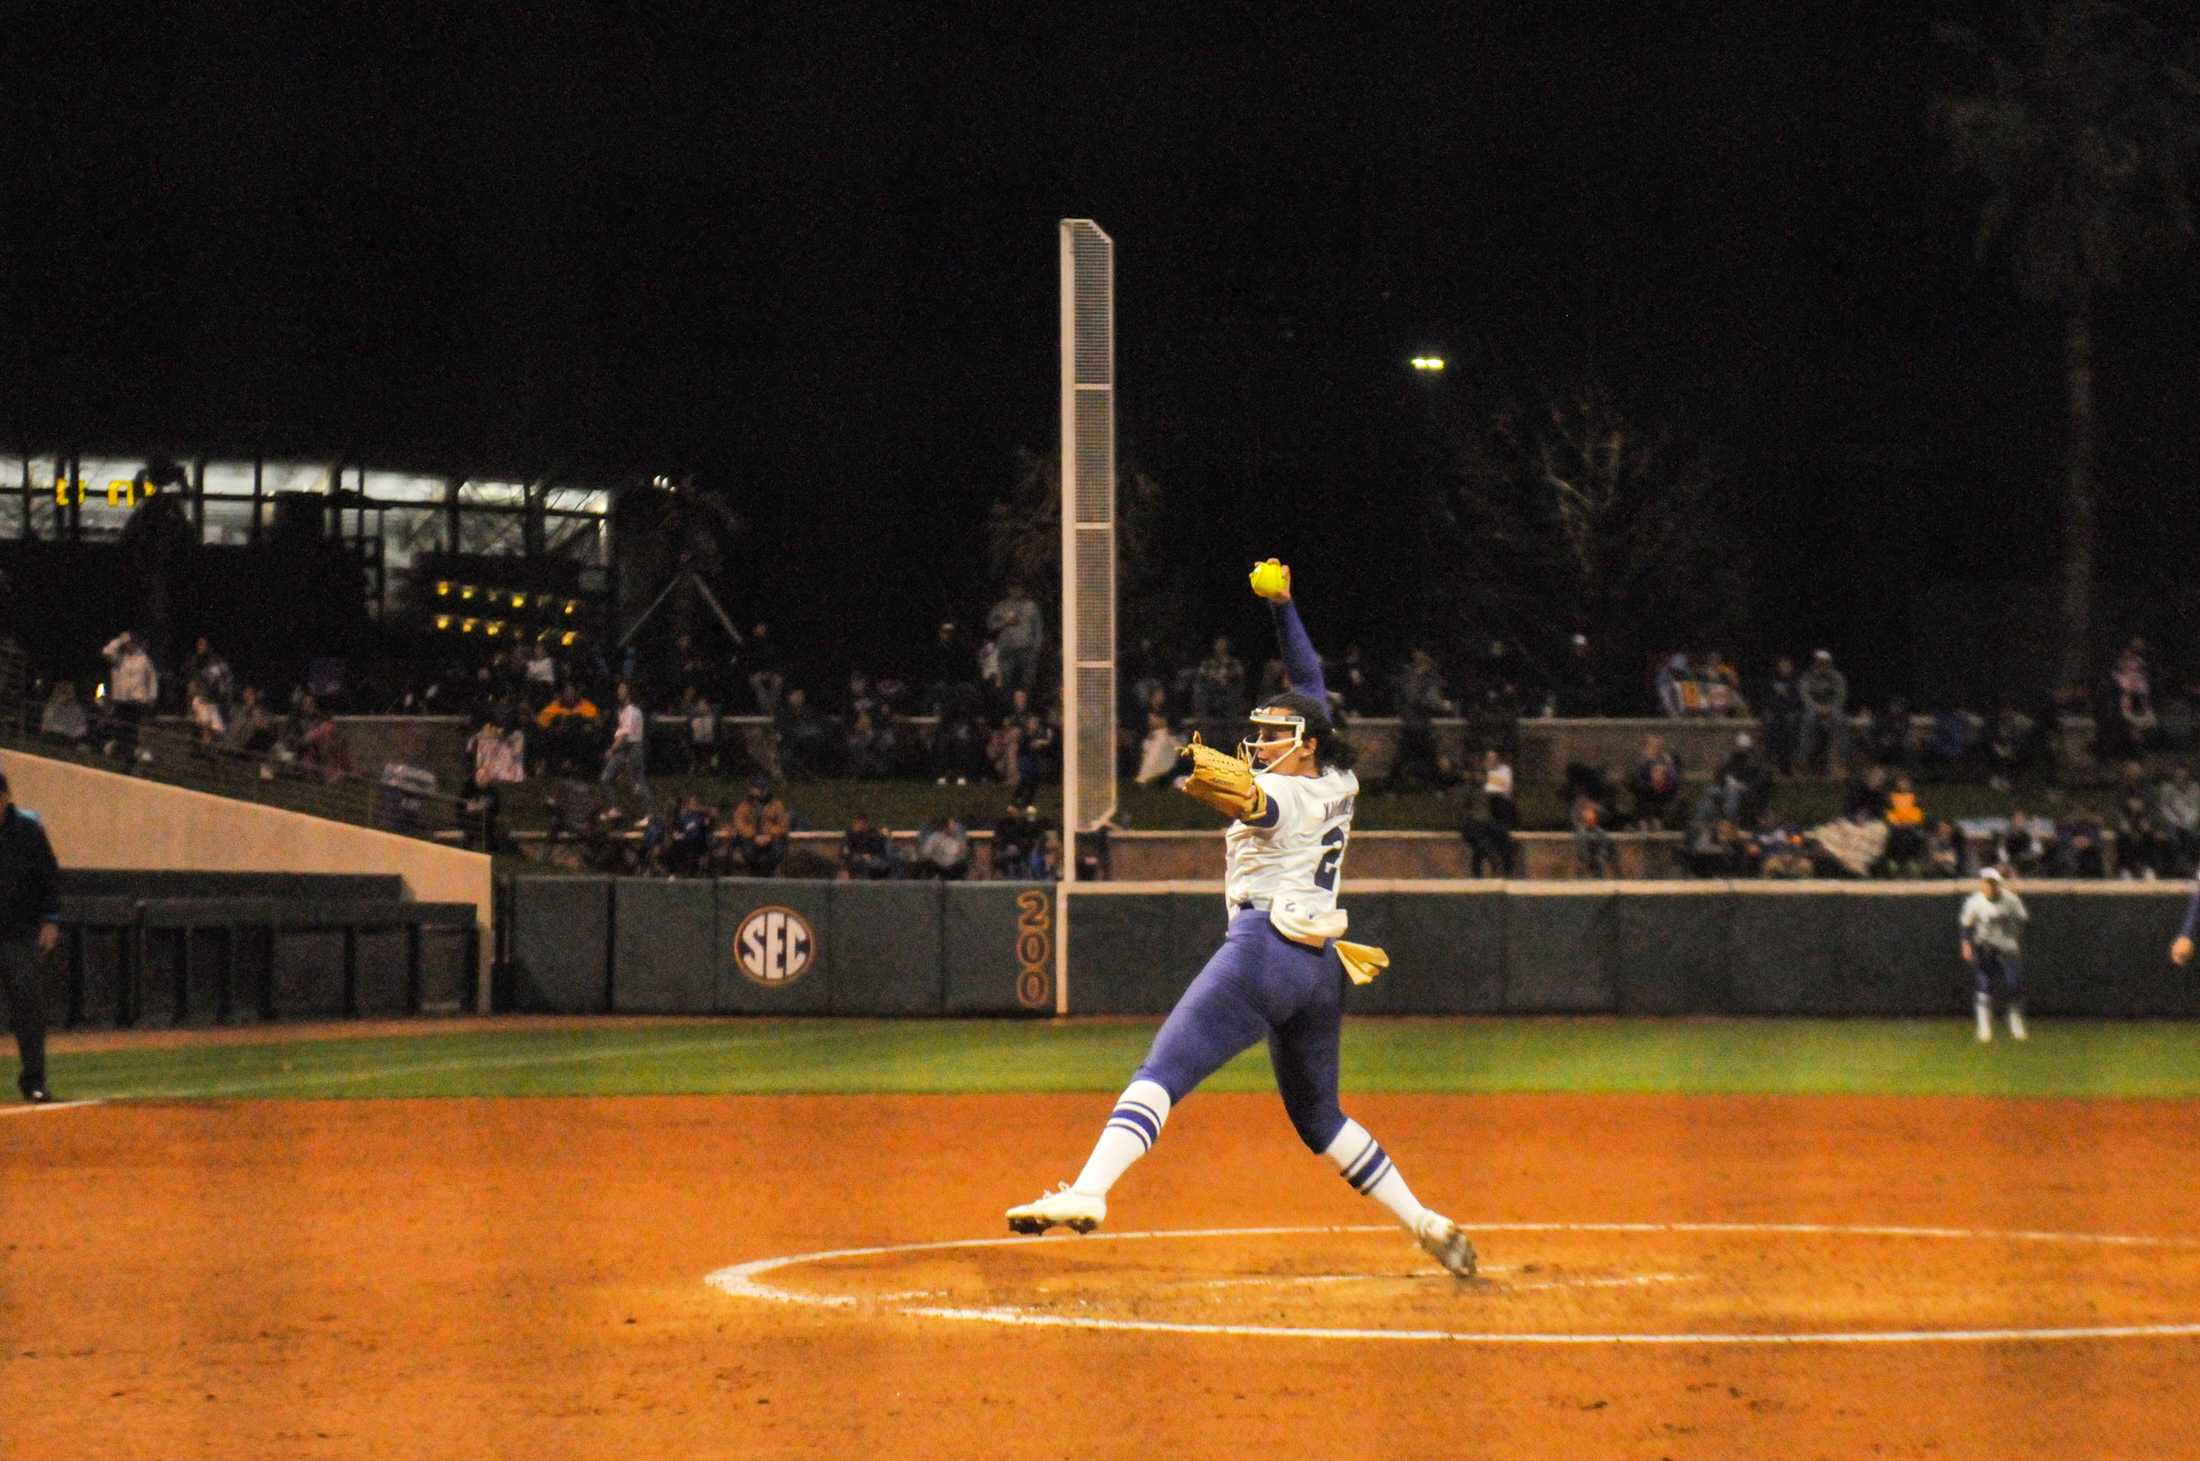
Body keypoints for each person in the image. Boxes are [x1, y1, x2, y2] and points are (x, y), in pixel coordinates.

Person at [1004, 560, 1475, 1280]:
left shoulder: (1285, 796)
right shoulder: (1338, 778)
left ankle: (1091, 1190)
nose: (1260, 742)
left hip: (1264, 953)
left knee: (1162, 1069)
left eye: (1276, 732)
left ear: (1309, 742)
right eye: (1260, 730)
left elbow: (1256, 802)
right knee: (1321, 1120)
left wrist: (1226, 789)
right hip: (1321, 969)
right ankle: (1427, 1222)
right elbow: (1310, 681)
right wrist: (1284, 606)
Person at [0, 772, 62, 1103]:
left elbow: (50, 877)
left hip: (19, 933)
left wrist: (50, 920)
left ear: (5, 797)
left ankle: (34, 1081)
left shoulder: (27, 830)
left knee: (28, 1010)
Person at [1960, 866, 2028, 1042]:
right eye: (1987, 883)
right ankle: (1984, 1026)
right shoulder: (1974, 902)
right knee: (1984, 985)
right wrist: (1966, 945)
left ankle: (2015, 1022)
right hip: (1985, 947)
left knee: (2014, 984)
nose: (1990, 886)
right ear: (1982, 884)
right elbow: (1966, 924)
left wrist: (2012, 936)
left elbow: (2022, 919)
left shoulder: (2011, 900)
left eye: (1993, 883)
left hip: (2007, 947)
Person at [100, 629, 158, 765]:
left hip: (137, 701)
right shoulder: (119, 658)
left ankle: (129, 758)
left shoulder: (144, 659)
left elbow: (152, 679)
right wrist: (120, 640)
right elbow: (106, 652)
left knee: (132, 730)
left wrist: (152, 697)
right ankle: (121, 755)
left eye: (132, 642)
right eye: (128, 643)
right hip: (121, 699)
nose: (129, 645)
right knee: (120, 729)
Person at [600, 681, 650, 805]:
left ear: (629, 692)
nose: (618, 691)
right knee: (607, 778)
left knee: (637, 783)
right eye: (619, 688)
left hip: (632, 749)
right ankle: (615, 808)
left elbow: (624, 734)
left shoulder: (631, 711)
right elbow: (621, 733)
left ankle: (650, 812)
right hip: (624, 749)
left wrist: (612, 750)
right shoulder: (622, 711)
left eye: (622, 688)